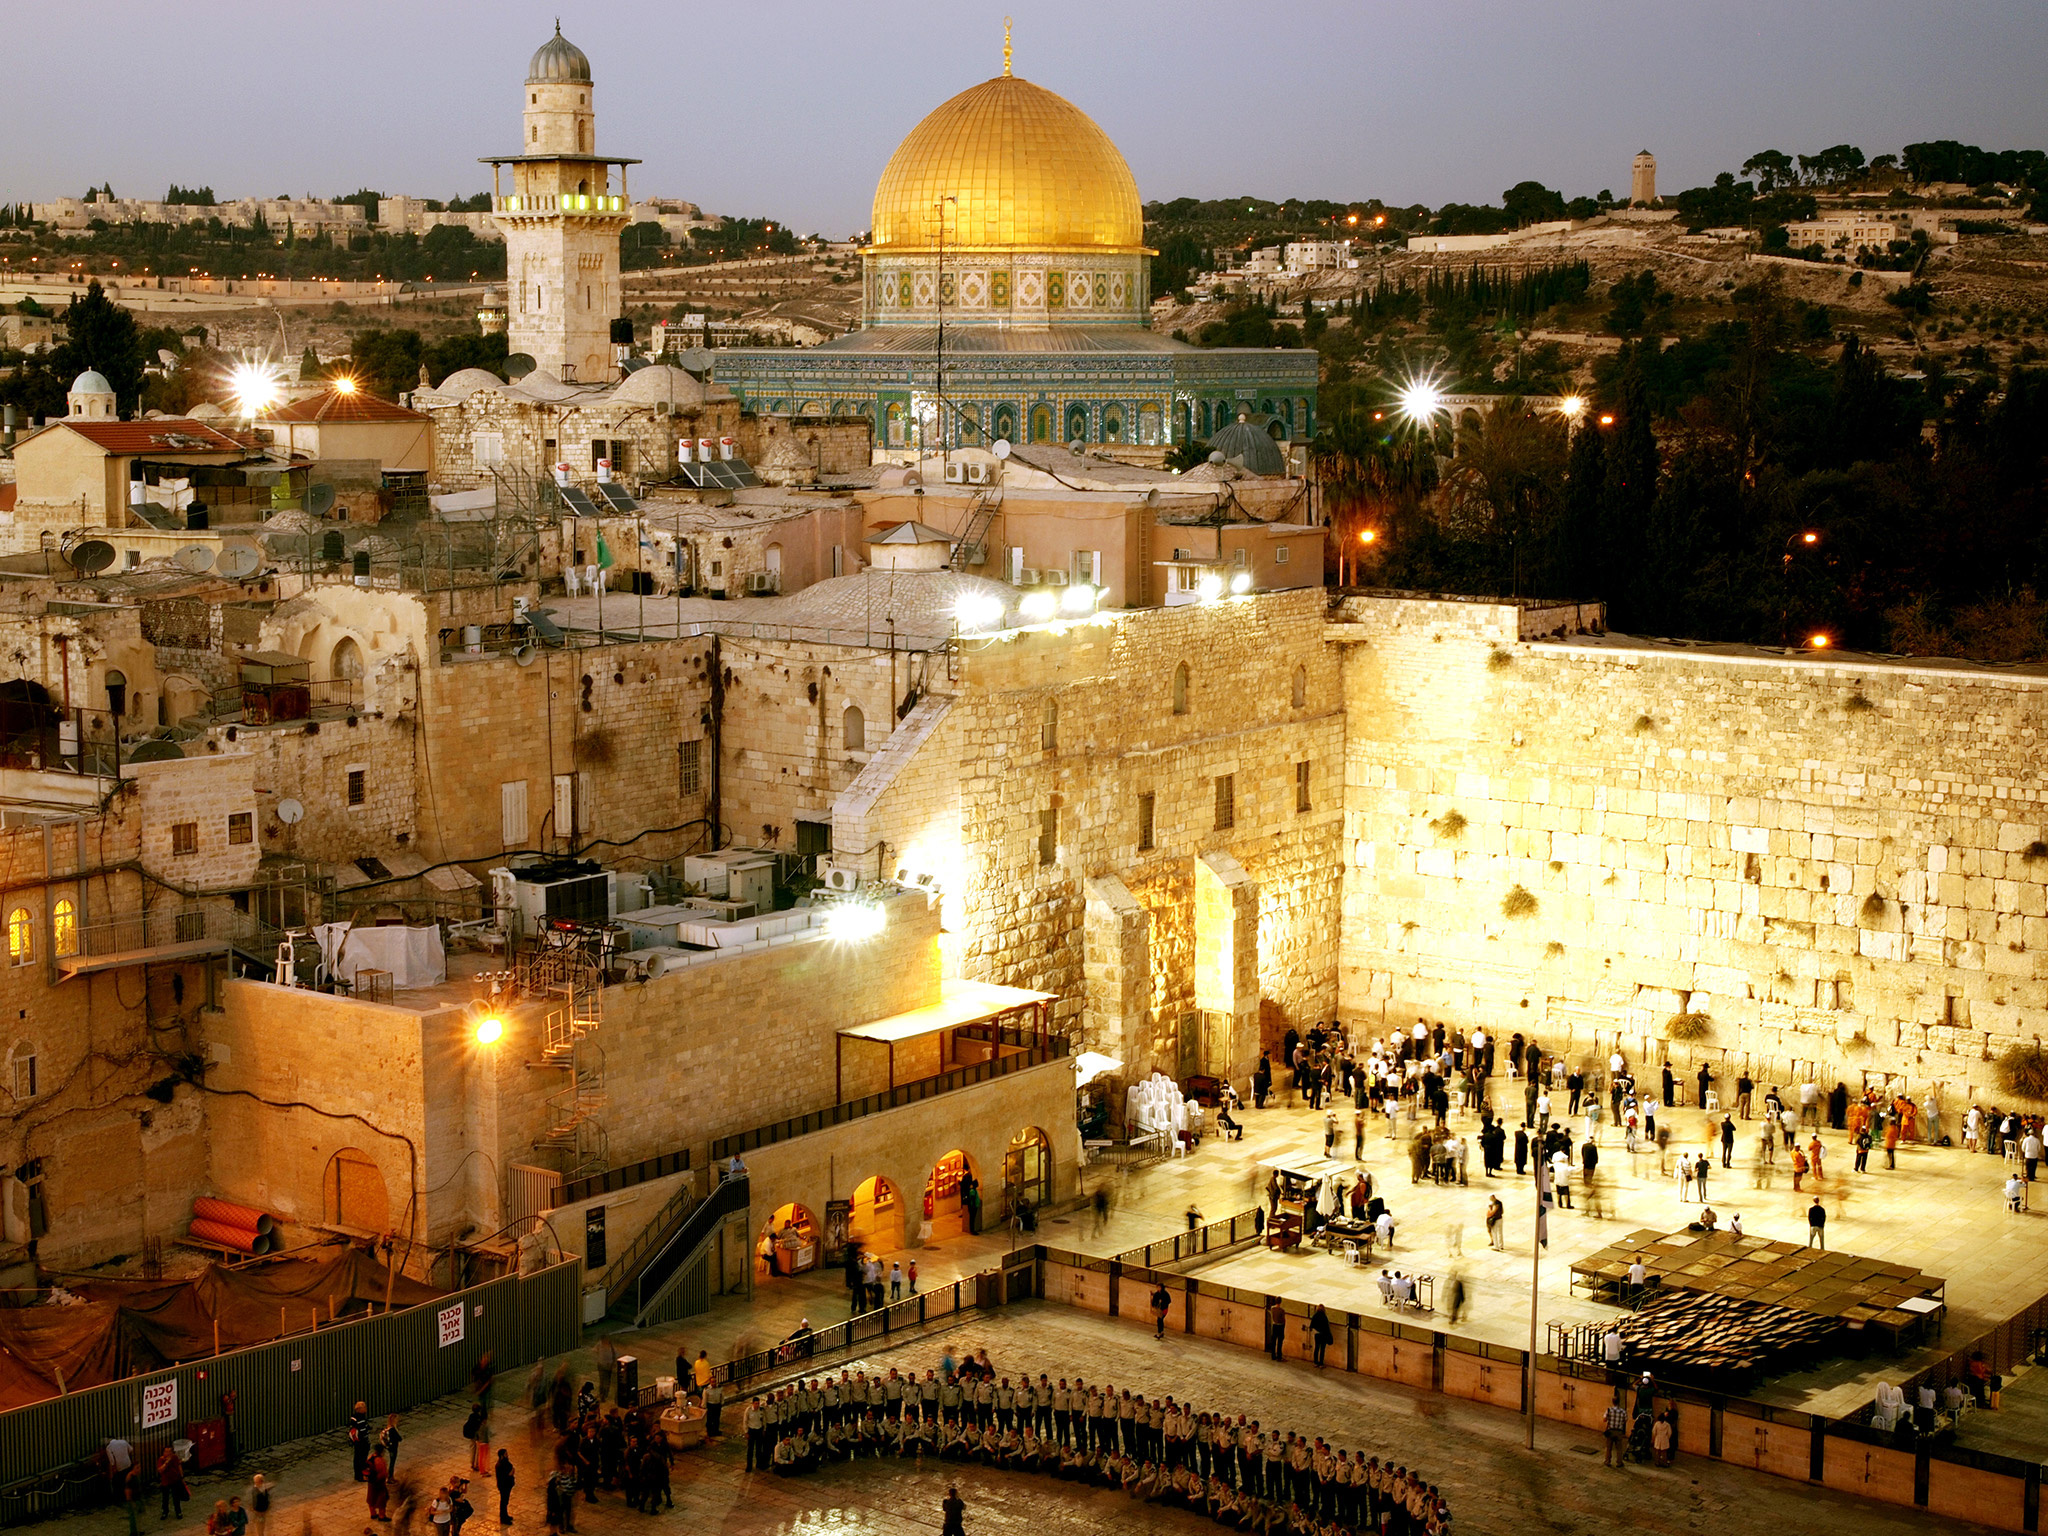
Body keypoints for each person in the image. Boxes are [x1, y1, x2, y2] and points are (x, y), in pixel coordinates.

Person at [158, 1445, 190, 1521]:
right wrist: (167, 1462)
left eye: (169, 1451)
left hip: (175, 1480)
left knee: (176, 1497)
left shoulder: (174, 1458)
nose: (168, 1453)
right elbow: (160, 1470)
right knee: (165, 1498)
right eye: (166, 1451)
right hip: (165, 1482)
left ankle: (178, 1512)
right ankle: (165, 1512)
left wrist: (182, 1477)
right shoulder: (161, 1460)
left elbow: (179, 1466)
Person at [1603, 1391, 1628, 1469]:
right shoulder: (1623, 1411)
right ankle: (1619, 1462)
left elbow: (1604, 1419)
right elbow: (1625, 1420)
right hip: (1619, 1431)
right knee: (1619, 1448)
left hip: (1610, 1430)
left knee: (1608, 1447)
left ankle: (1607, 1461)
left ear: (1612, 1402)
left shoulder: (1609, 1410)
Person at [348, 1401, 373, 1480]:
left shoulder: (359, 1417)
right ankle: (360, 1475)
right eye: (364, 1407)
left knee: (359, 1458)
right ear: (360, 1409)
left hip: (360, 1440)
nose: (366, 1408)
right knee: (361, 1458)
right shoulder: (359, 1418)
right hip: (361, 1441)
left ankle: (359, 1474)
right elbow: (361, 1429)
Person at [494, 1451, 515, 1526]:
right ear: (502, 1455)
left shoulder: (504, 1463)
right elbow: (507, 1474)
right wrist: (512, 1471)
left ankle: (505, 1515)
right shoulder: (500, 1465)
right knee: (504, 1502)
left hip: (506, 1485)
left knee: (505, 1501)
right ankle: (503, 1518)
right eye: (506, 1454)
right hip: (504, 1486)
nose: (507, 1455)